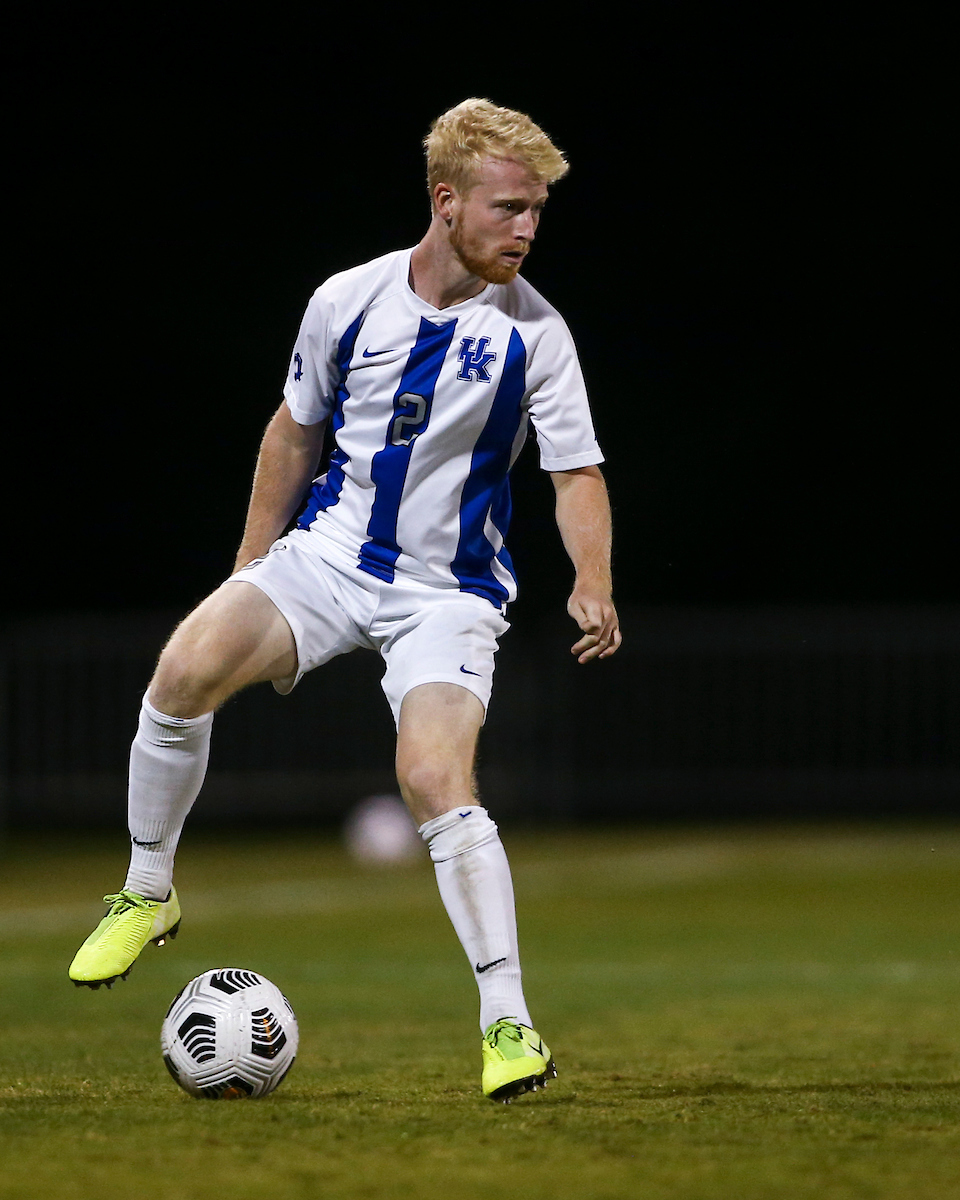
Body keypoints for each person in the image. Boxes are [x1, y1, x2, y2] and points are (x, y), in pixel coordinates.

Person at [68, 98, 621, 1102]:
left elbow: (576, 472)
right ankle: (148, 890)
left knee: (433, 779)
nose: (528, 230)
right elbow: (293, 432)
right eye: (510, 208)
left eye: (539, 210)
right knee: (182, 672)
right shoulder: (348, 302)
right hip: (329, 560)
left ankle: (509, 1024)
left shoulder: (536, 335)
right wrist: (249, 567)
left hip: (446, 596)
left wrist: (593, 581)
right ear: (446, 202)